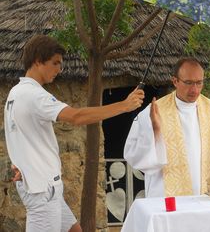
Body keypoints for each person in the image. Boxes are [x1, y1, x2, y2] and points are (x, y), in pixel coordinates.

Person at [3, 35, 144, 232]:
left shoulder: (15, 93)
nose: (59, 69)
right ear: (37, 60)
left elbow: (18, 137)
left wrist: (21, 165)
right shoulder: (34, 95)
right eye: (55, 63)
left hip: (42, 186)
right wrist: (124, 105)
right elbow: (76, 116)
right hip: (42, 189)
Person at [124, 57, 210, 197]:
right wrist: (156, 131)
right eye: (189, 83)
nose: (194, 89)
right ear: (175, 81)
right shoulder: (153, 112)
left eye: (199, 83)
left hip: (207, 199)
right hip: (167, 200)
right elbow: (136, 158)